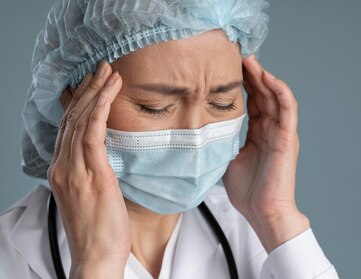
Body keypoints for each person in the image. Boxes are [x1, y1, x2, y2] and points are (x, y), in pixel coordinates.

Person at [0, 0, 339, 278]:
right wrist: (96, 264)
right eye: (155, 106)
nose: (196, 133)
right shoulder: (10, 254)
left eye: (222, 103)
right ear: (72, 100)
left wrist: (276, 215)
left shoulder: (258, 234)